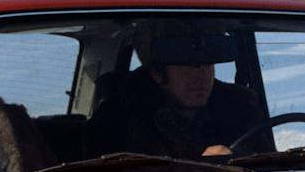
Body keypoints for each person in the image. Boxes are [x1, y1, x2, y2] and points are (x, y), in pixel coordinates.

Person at [85, 22, 269, 160]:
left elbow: (269, 165)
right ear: (157, 72)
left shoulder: (240, 108)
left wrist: (239, 159)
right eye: (186, 64)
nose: (200, 75)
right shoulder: (120, 117)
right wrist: (198, 168)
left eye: (207, 63)